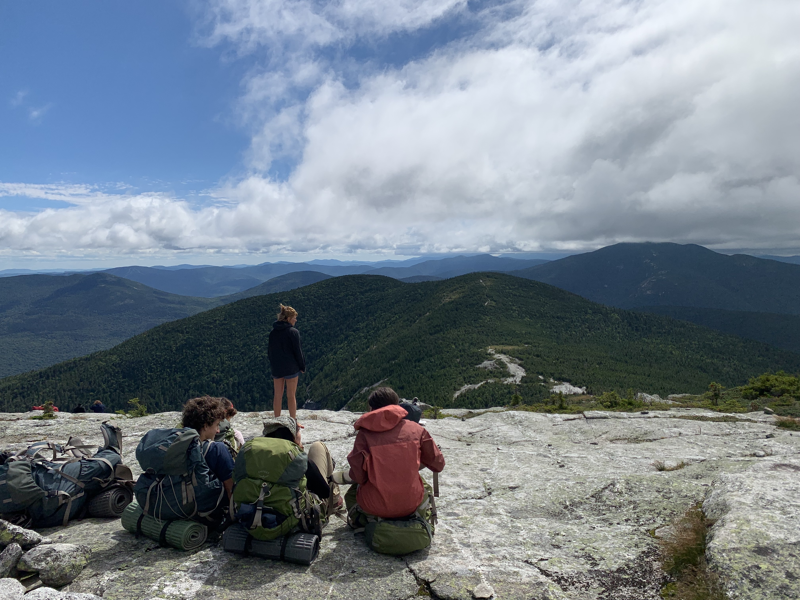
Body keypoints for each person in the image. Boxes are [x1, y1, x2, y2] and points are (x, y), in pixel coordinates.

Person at [345, 387, 445, 521]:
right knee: (423, 485)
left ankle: (362, 522)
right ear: (397, 405)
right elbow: (438, 464)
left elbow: (359, 477)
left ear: (371, 408)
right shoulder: (416, 429)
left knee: (351, 494)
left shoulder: (364, 435)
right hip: (411, 504)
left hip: (374, 506)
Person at [262, 416, 343, 521]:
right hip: (300, 516)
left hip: (259, 512)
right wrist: (299, 451)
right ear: (293, 436)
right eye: (298, 431)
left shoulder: (255, 456)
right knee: (318, 446)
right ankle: (335, 499)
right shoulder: (297, 459)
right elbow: (324, 491)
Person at [182, 396, 234, 499]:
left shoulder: (176, 445)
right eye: (217, 425)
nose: (218, 430)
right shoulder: (217, 449)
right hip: (204, 510)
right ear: (205, 426)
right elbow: (232, 489)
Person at [268, 304, 306, 421]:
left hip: (277, 368)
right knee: (291, 396)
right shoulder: (293, 332)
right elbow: (297, 351)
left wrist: (273, 365)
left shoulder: (273, 332)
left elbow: (270, 352)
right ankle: (293, 421)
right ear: (288, 319)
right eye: (294, 317)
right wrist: (302, 366)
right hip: (291, 368)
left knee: (277, 396)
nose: (296, 320)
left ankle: (277, 420)